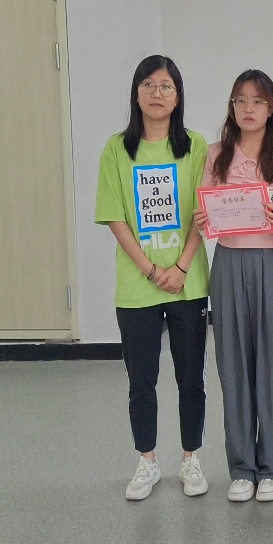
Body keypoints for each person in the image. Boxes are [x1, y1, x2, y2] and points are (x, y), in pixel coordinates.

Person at [94, 55, 210, 501]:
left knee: (191, 378)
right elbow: (114, 216)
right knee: (141, 380)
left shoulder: (195, 146)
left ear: (178, 97)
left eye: (166, 86)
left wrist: (180, 267)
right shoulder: (116, 149)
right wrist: (150, 269)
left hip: (188, 283)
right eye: (148, 85)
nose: (157, 93)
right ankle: (147, 461)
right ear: (136, 93)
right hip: (136, 286)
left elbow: (202, 214)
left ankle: (190, 458)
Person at [196, 69, 273, 503]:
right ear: (232, 107)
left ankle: (272, 467)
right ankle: (241, 468)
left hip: (272, 264)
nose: (249, 108)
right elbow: (204, 212)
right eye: (241, 100)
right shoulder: (215, 155)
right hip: (228, 263)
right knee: (233, 365)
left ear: (271, 108)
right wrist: (202, 219)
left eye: (258, 101)